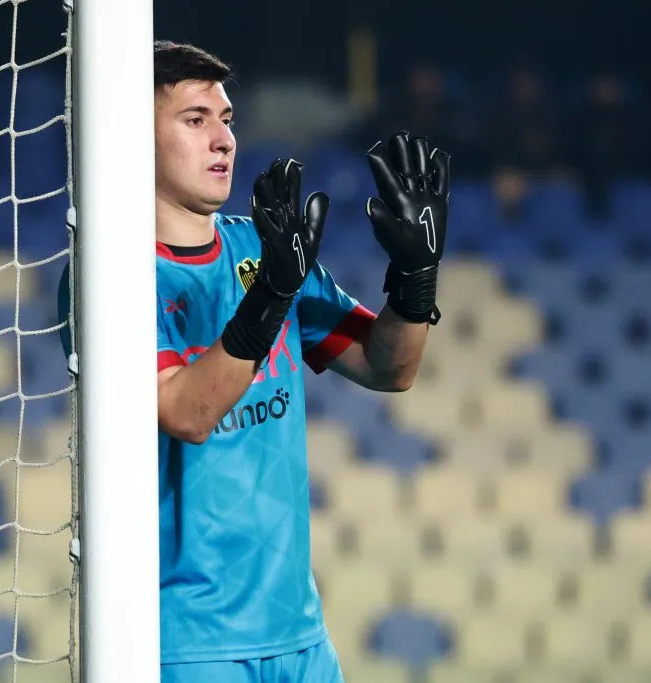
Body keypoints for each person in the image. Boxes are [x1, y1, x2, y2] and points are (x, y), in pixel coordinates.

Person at [57, 40, 450, 682]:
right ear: (129, 135)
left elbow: (389, 367)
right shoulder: (108, 275)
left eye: (227, 119)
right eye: (195, 120)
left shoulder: (261, 250)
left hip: (300, 636)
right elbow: (187, 412)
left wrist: (415, 277)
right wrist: (269, 295)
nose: (223, 140)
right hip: (188, 643)